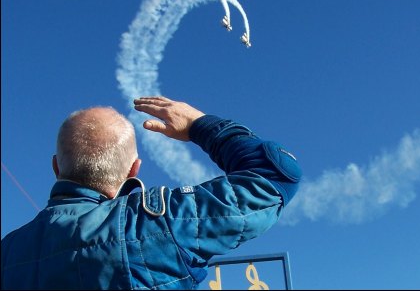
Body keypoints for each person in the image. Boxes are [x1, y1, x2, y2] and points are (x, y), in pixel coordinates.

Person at [1, 96, 301, 290]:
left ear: (56, 167)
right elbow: (276, 175)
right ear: (134, 169)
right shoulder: (157, 225)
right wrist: (202, 126)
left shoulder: (7, 253)